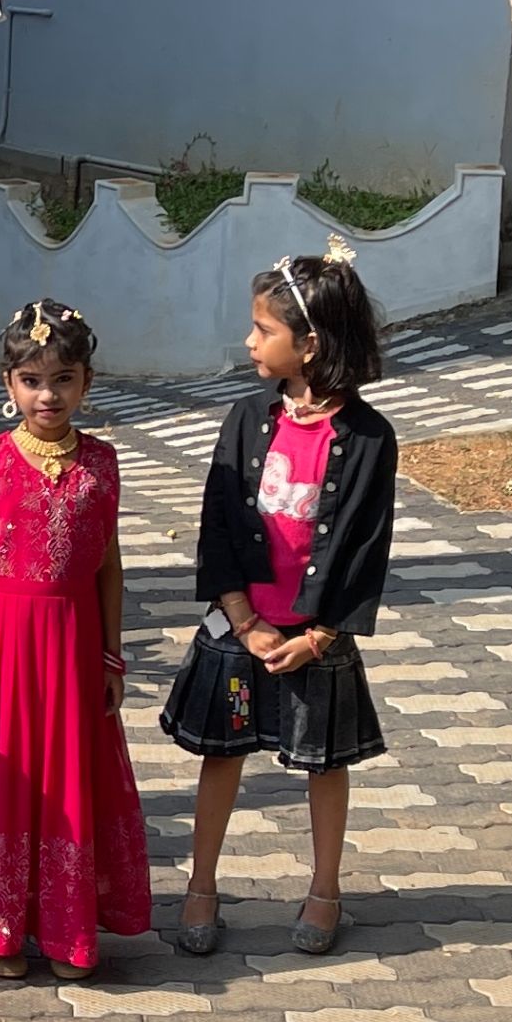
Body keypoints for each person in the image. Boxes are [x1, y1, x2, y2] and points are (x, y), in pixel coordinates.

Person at [164, 241, 396, 958]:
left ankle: (325, 890)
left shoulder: (369, 439)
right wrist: (244, 621)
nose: (250, 341)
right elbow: (217, 523)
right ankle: (202, 885)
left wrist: (320, 636)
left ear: (311, 343)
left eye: (263, 329)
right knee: (221, 753)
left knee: (326, 763)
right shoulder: (245, 419)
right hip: (241, 629)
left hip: (315, 637)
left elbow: (366, 548)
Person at [0, 300, 151, 982]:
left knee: (68, 782)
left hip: (73, 650)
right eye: (31, 380)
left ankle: (66, 929)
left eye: (62, 380)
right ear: (8, 384)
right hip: (2, 649)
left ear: (87, 383)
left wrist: (112, 655)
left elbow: (109, 564)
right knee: (4, 782)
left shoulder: (102, 463)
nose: (46, 395)